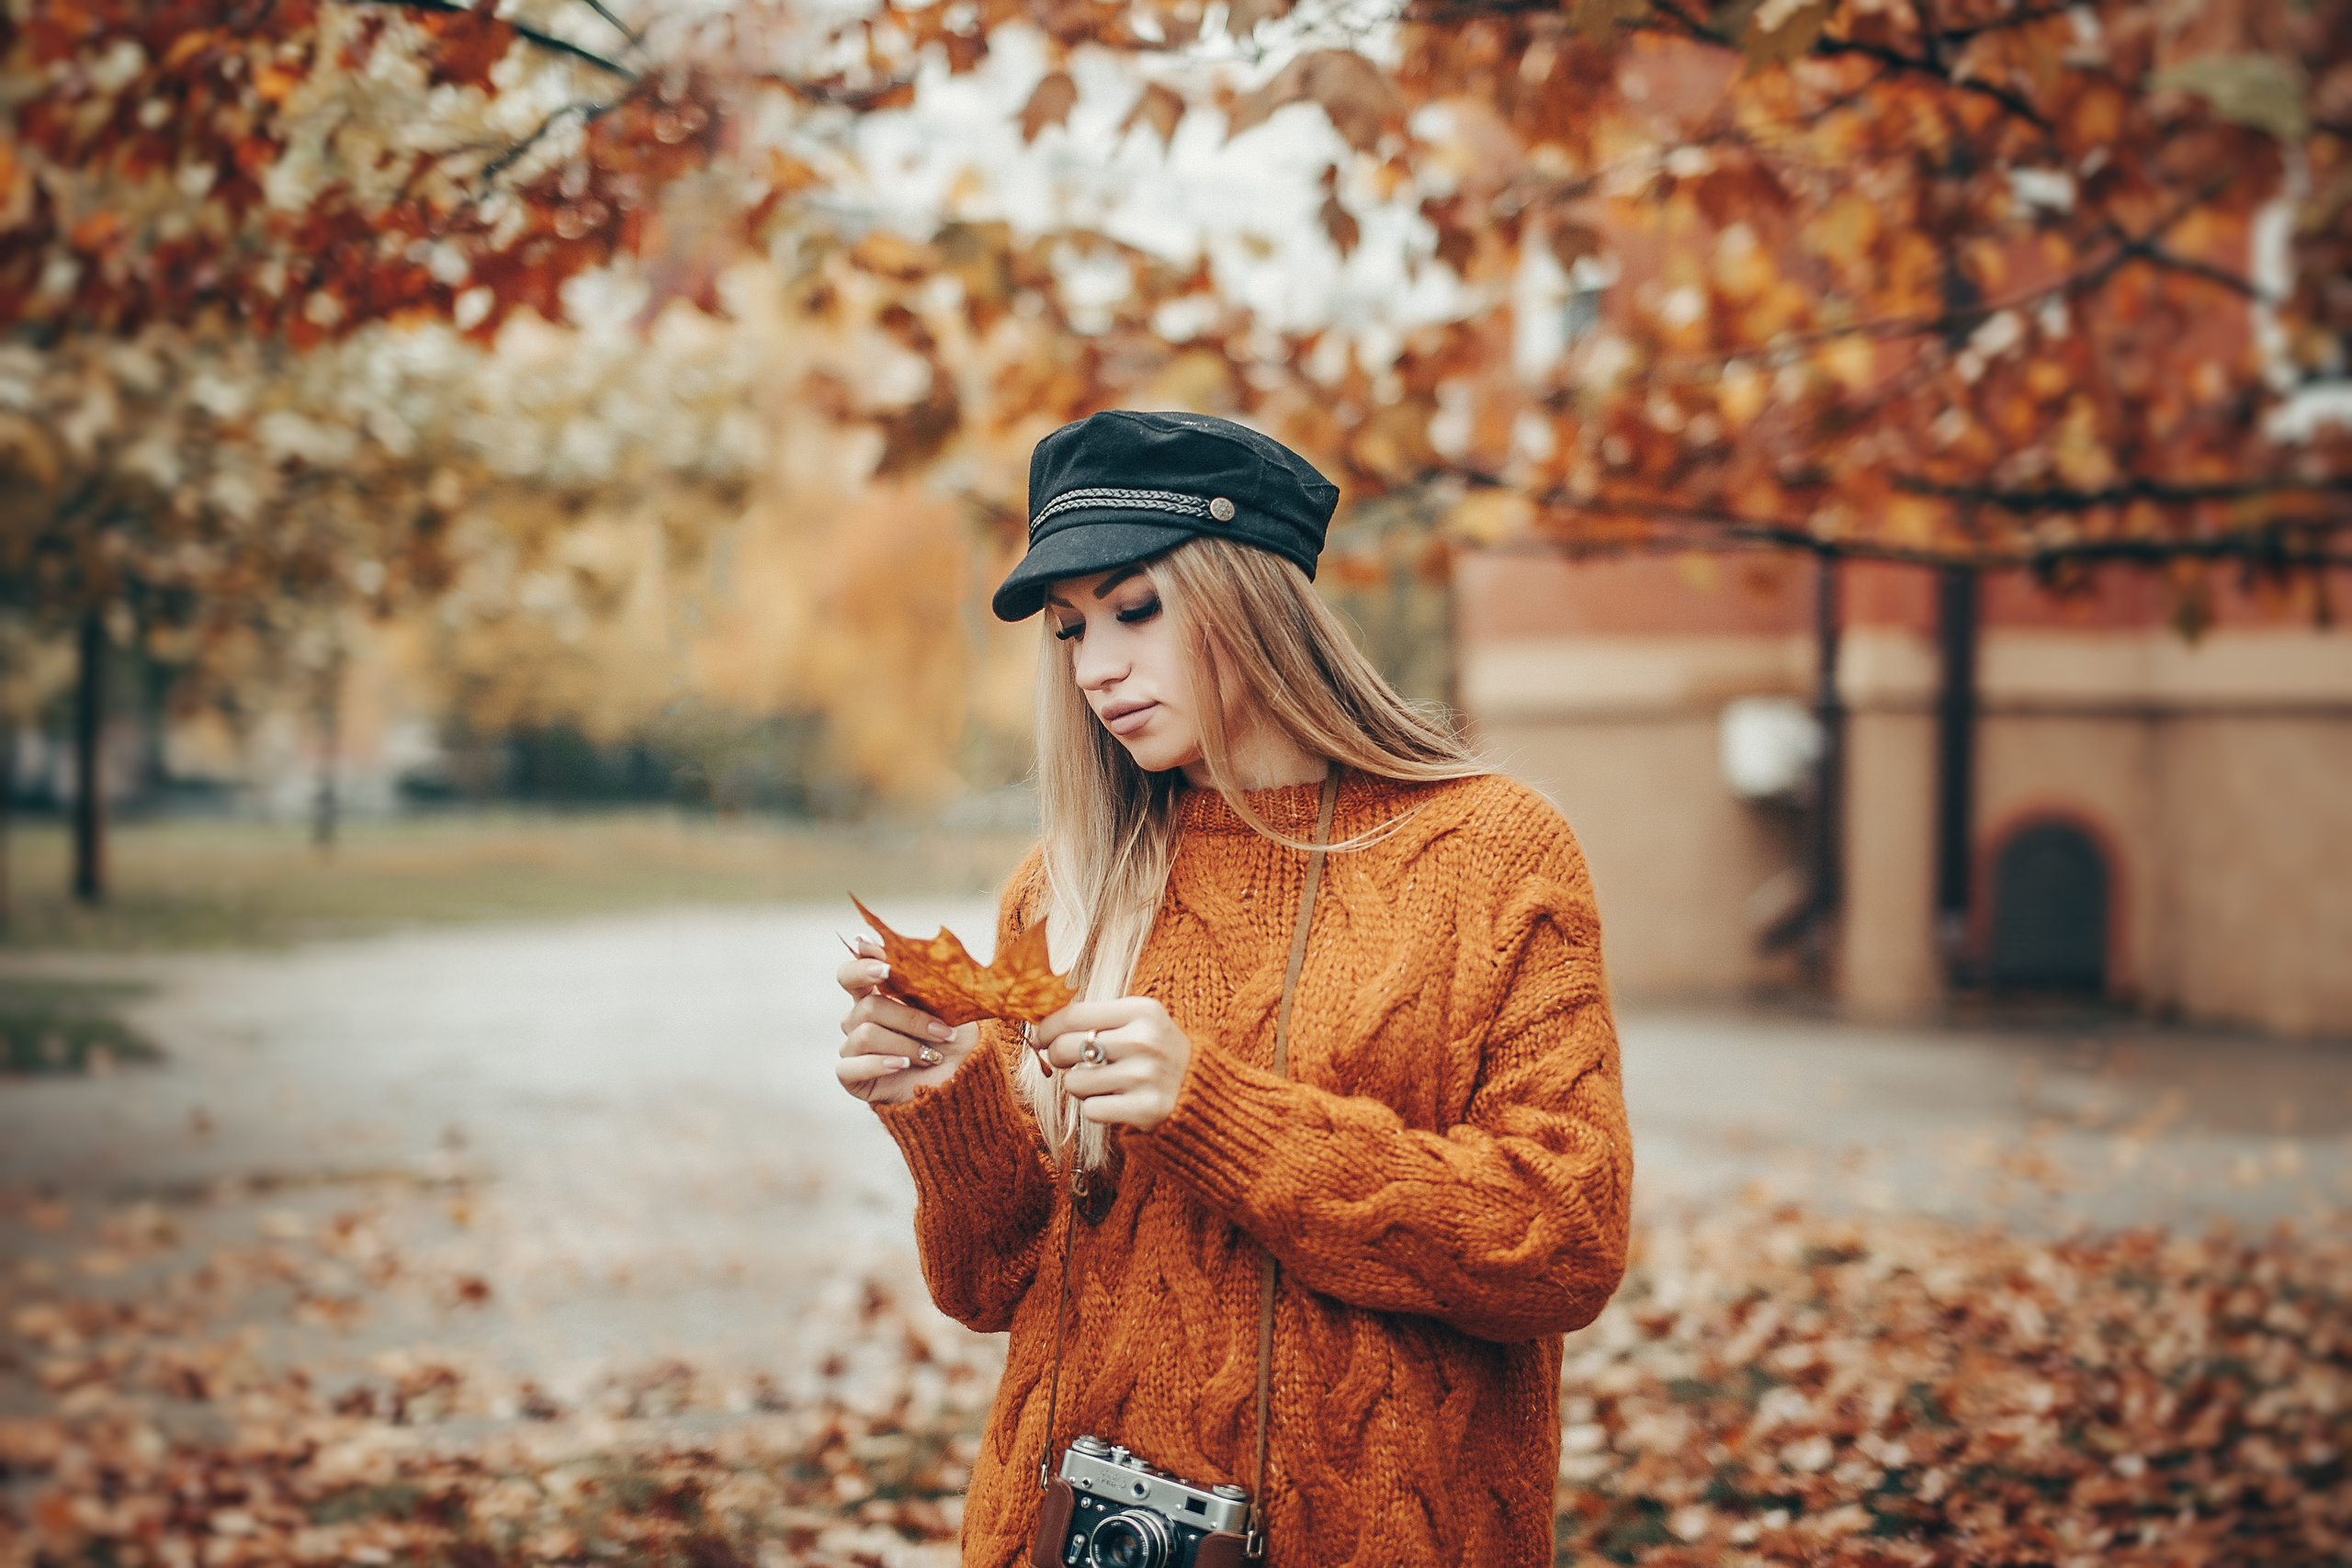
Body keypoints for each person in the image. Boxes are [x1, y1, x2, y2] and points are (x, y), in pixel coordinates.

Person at [832, 409, 1631, 1567]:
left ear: (1252, 596)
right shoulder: (1065, 891)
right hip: (1062, 1533)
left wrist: (1212, 1113)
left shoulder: (1490, 853)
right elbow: (992, 1286)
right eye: (1069, 632)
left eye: (1136, 609)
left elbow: (1565, 1239)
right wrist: (946, 1101)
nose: (1099, 666)